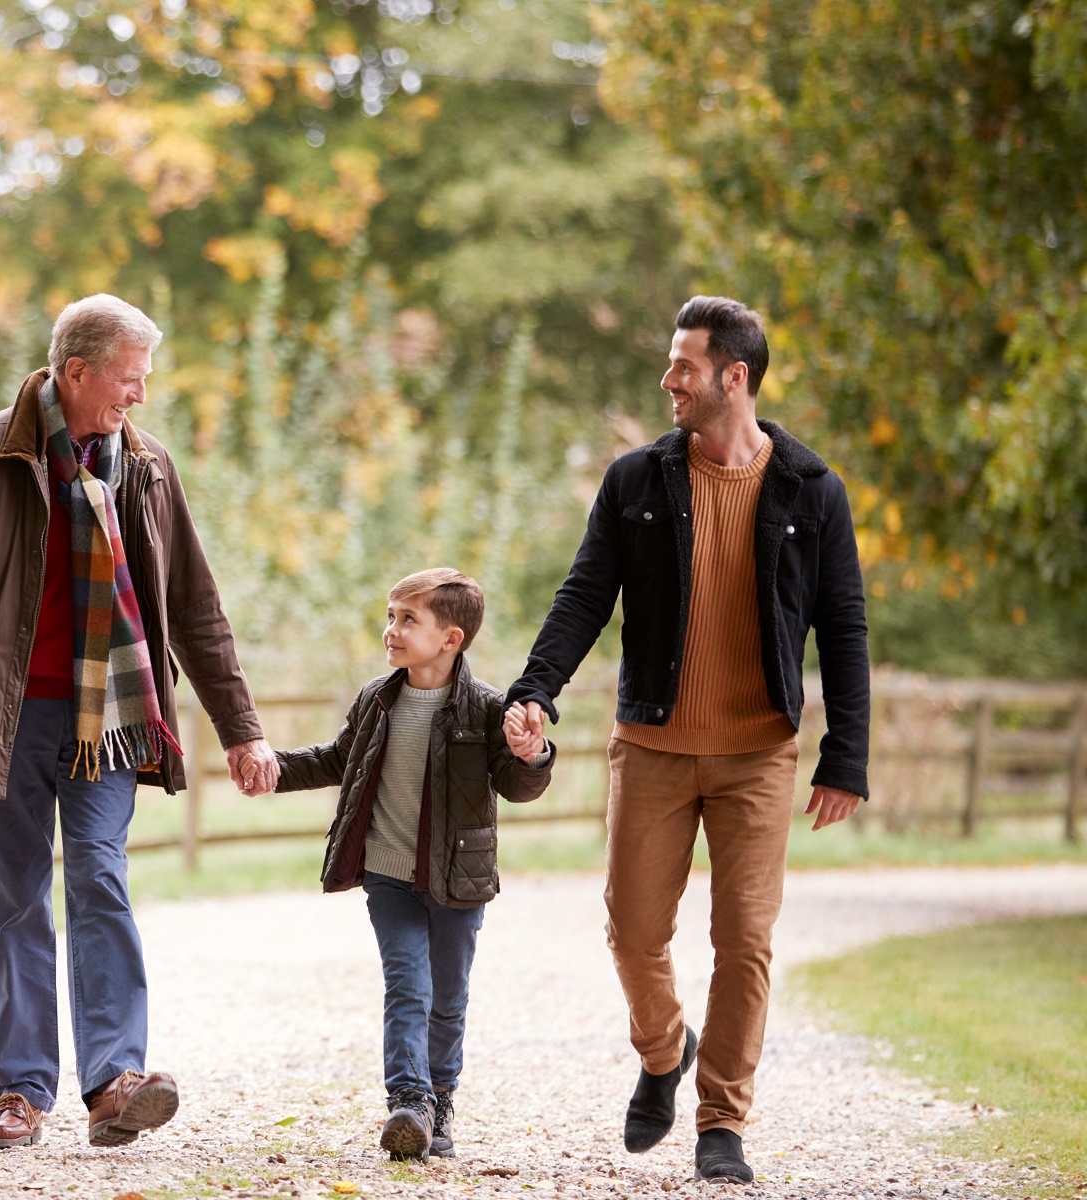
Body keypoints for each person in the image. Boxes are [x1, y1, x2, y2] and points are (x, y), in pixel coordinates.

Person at [0, 294, 281, 1150]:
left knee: (100, 876)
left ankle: (112, 1083)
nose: (139, 397)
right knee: (16, 898)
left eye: (145, 381)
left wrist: (240, 727)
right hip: (8, 719)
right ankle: (20, 1093)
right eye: (128, 380)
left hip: (113, 718)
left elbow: (195, 608)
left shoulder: (149, 467)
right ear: (77, 371)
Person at [505, 296, 871, 1183]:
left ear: (733, 377)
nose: (668, 379)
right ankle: (665, 1051)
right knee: (633, 934)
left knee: (744, 941)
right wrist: (535, 691)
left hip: (758, 754)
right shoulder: (637, 481)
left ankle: (722, 1122)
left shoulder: (810, 489)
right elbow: (585, 594)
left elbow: (844, 624)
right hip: (654, 746)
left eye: (684, 365)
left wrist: (846, 756)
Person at [268, 568, 553, 1161]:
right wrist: (275, 768)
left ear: (451, 638)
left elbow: (518, 784)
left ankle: (441, 1097)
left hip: (458, 880)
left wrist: (535, 755)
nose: (390, 630)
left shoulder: (485, 709)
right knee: (407, 985)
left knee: (447, 997)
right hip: (388, 873)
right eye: (390, 616)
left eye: (407, 619)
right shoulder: (378, 698)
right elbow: (339, 759)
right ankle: (410, 1101)